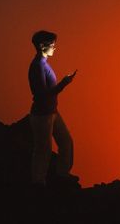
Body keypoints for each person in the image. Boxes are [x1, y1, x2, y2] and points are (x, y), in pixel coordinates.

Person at [28, 30, 78, 187]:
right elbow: (41, 93)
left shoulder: (43, 64)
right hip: (42, 115)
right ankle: (38, 182)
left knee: (66, 142)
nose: (55, 48)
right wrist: (63, 84)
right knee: (43, 149)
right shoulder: (37, 66)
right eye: (52, 45)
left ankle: (62, 175)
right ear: (42, 46)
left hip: (52, 112)